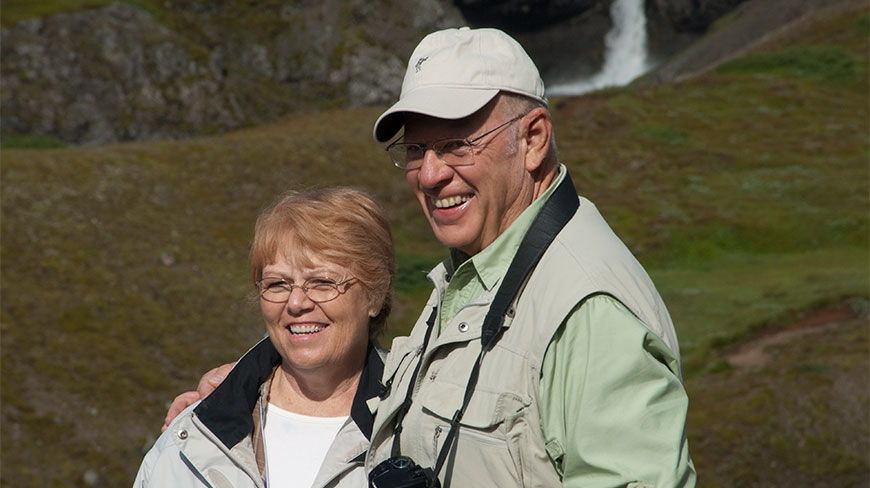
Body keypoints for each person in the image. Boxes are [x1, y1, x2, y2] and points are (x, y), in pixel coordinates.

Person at [167, 27, 696, 487]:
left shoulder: (588, 311)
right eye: (417, 150)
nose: (430, 173)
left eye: (459, 142)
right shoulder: (477, 269)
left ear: (533, 139)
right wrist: (247, 393)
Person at [135, 187, 396, 488]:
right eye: (277, 284)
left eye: (323, 282)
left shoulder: (421, 426)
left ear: (375, 295)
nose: (296, 303)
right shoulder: (192, 437)